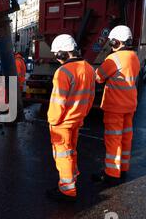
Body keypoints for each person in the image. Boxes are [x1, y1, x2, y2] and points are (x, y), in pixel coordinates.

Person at [46, 34, 96, 202]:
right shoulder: (88, 67)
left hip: (62, 123)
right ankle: (71, 181)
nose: (56, 58)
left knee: (63, 155)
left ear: (62, 54)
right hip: (77, 120)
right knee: (71, 152)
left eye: (56, 54)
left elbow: (57, 101)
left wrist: (53, 121)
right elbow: (90, 97)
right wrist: (82, 114)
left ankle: (67, 191)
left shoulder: (63, 72)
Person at [93, 25, 141, 184]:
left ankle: (111, 173)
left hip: (115, 106)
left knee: (113, 140)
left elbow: (99, 77)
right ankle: (123, 168)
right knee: (126, 137)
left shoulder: (114, 59)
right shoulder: (134, 56)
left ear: (115, 42)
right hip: (130, 104)